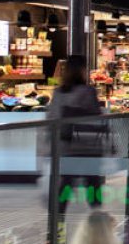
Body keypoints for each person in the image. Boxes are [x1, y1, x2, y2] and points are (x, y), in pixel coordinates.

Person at [49, 55, 106, 221]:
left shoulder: (58, 93)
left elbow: (52, 118)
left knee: (64, 185)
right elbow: (97, 117)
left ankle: (57, 225)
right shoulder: (88, 92)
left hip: (66, 147)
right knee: (93, 186)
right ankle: (97, 224)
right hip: (89, 147)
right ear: (82, 70)